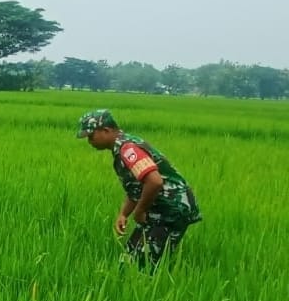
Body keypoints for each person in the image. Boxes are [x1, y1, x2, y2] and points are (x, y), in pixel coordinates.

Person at [78, 109, 201, 269]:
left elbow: (154, 181)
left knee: (142, 266)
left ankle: (151, 289)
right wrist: (124, 214)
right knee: (128, 260)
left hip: (171, 208)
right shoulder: (123, 147)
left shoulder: (128, 149)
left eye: (91, 136)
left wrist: (140, 210)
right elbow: (137, 188)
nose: (90, 141)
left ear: (106, 130)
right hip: (160, 207)